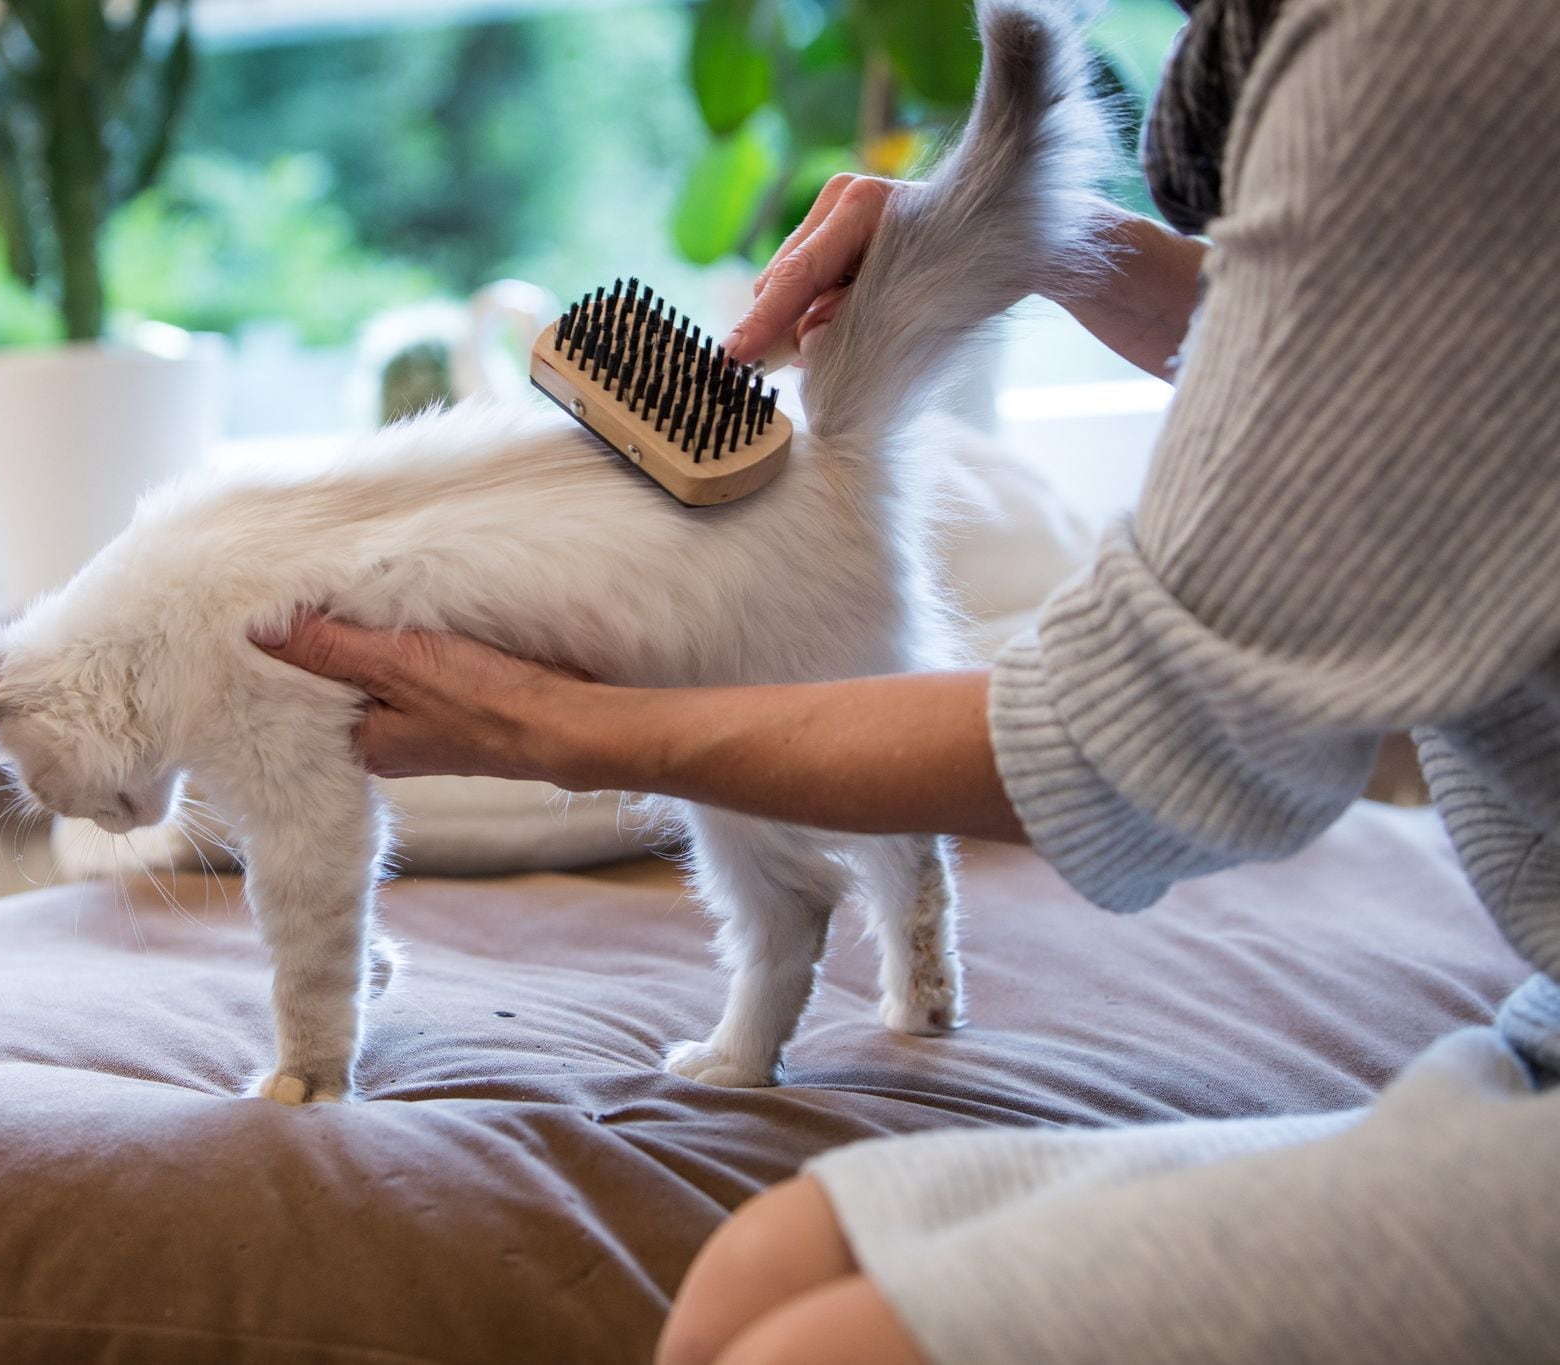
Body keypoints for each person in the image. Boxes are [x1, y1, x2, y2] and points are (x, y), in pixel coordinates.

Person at [257, 0, 1560, 1358]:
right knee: (760, 1267)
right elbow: (1401, 353)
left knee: (801, 1349)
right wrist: (1054, 245)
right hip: (1534, 1038)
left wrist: (584, 729)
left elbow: (1145, 751)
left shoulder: (1422, 41)